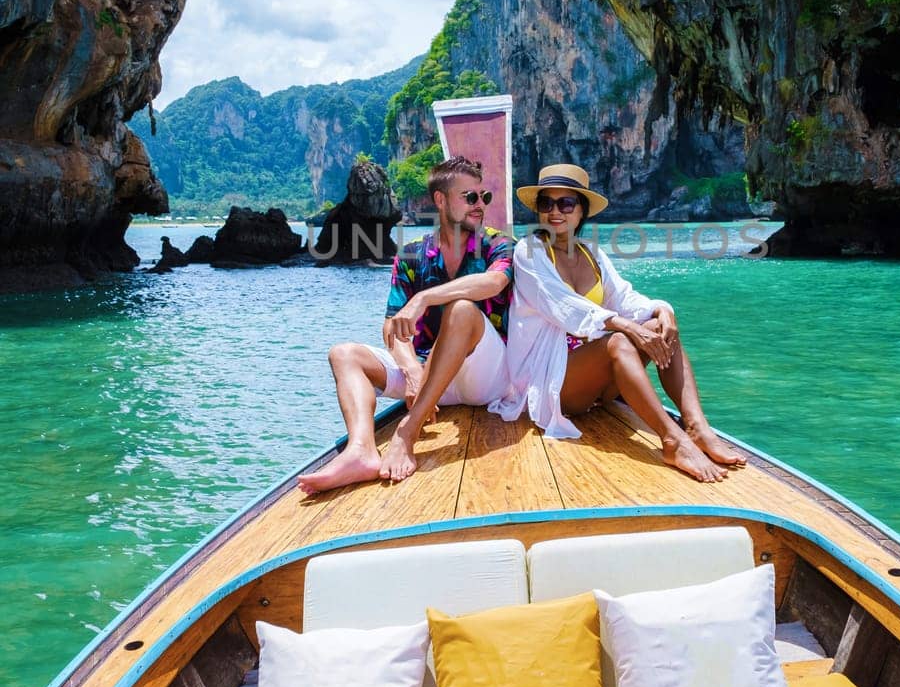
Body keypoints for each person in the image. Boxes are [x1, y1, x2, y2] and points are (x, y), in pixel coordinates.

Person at [491, 164, 746, 483]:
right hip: (548, 381)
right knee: (619, 341)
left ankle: (697, 427)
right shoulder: (530, 251)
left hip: (590, 379)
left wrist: (661, 310)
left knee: (663, 329)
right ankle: (672, 440)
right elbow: (563, 306)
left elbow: (625, 297)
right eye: (546, 203)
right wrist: (625, 326)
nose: (555, 212)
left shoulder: (592, 253)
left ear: (581, 210)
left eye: (566, 203)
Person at [299, 155, 513, 492]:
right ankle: (361, 450)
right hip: (428, 377)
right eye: (469, 197)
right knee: (344, 354)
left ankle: (405, 434)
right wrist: (412, 368)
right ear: (441, 200)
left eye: (483, 197)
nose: (479, 206)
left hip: (482, 377)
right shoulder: (412, 256)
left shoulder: (496, 244)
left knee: (461, 310)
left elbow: (495, 283)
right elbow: (392, 327)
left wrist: (425, 298)